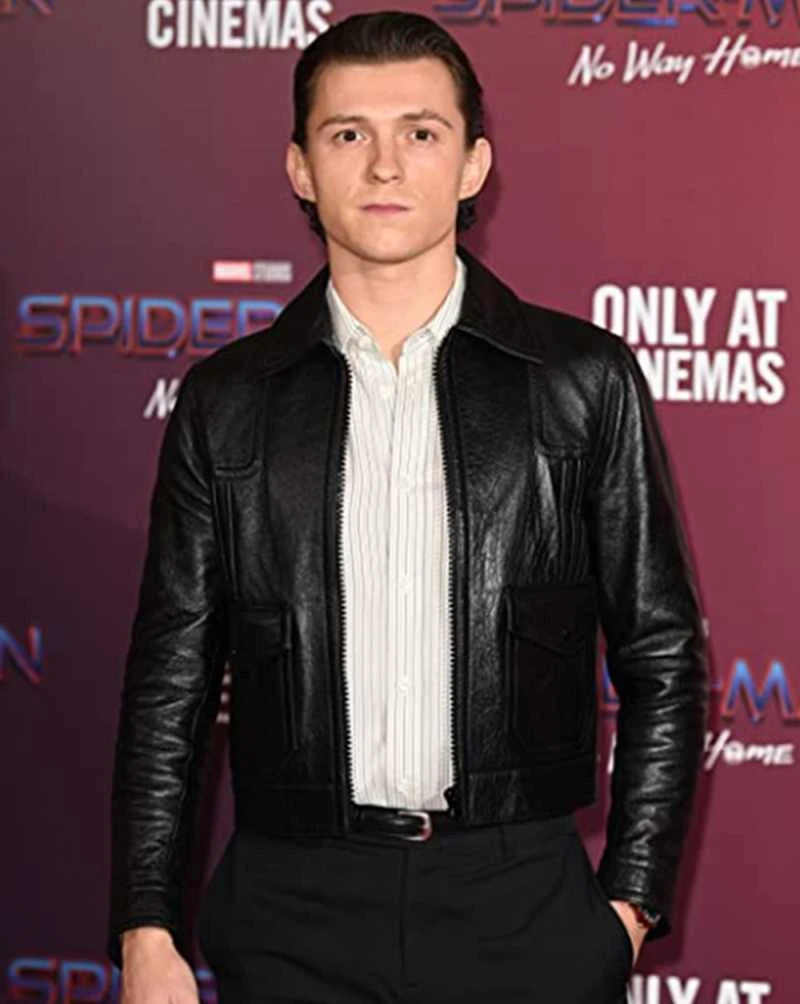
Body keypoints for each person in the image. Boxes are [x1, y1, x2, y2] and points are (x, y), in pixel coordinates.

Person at [108, 11, 708, 1004]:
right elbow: (170, 679)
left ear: (473, 164)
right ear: (300, 168)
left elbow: (662, 653)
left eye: (420, 132)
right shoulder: (226, 401)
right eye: (348, 133)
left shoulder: (581, 380)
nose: (385, 164)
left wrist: (628, 905)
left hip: (519, 903)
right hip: (289, 907)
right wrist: (145, 924)